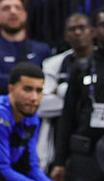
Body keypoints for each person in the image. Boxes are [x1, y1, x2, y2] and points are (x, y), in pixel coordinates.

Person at [51, 8, 104, 181]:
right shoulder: (81, 66)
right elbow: (67, 116)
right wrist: (59, 162)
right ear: (94, 31)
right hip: (85, 152)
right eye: (103, 24)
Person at [38, 14, 95, 172]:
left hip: (91, 137)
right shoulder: (53, 64)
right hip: (59, 135)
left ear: (92, 32)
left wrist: (61, 90)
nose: (77, 33)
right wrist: (78, 100)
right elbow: (41, 104)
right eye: (72, 29)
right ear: (65, 36)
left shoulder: (102, 61)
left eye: (82, 28)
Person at [0, 0, 52, 97]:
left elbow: (51, 80)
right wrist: (31, 82)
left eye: (18, 8)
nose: (13, 12)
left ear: (25, 15)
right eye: (6, 8)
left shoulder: (42, 50)